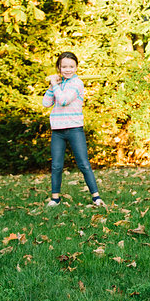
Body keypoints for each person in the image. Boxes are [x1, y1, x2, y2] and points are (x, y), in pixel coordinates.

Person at [42, 51, 105, 208]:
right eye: (64, 66)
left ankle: (96, 197)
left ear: (76, 67)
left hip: (74, 129)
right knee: (56, 165)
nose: (67, 69)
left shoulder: (77, 83)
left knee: (83, 163)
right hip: (57, 130)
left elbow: (63, 100)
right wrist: (52, 85)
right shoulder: (58, 83)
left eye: (71, 66)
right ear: (59, 67)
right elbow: (46, 102)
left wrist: (55, 85)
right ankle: (55, 198)